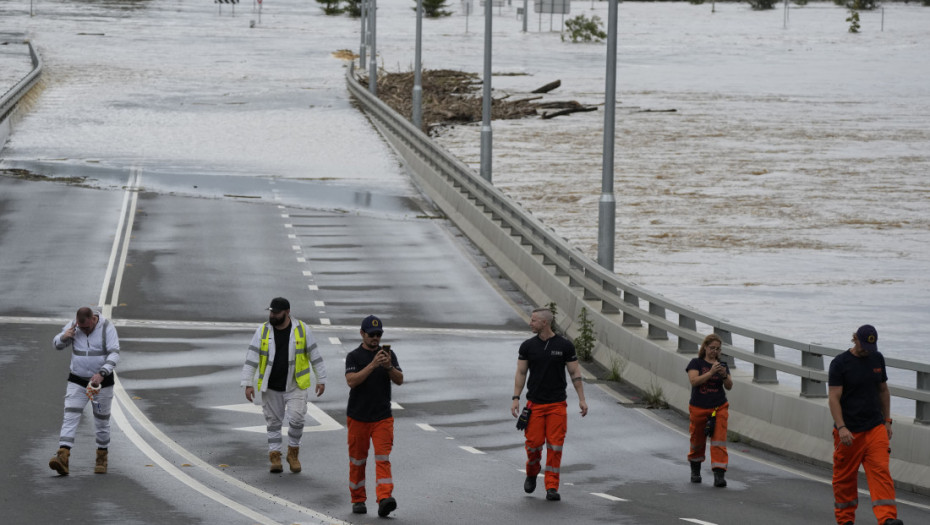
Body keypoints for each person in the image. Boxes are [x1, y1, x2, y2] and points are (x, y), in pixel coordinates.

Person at [240, 297, 327, 474]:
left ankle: (293, 453)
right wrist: (247, 384)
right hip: (271, 385)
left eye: (276, 312)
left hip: (296, 385)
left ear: (287, 313)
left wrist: (321, 379)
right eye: (271, 311)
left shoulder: (302, 330)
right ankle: (275, 456)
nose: (272, 315)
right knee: (273, 422)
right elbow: (252, 358)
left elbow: (315, 355)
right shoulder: (263, 331)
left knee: (297, 419)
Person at [828, 325, 903, 525]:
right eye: (864, 345)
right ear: (855, 339)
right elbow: (834, 398)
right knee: (845, 479)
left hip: (875, 427)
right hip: (849, 432)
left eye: (871, 346)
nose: (867, 350)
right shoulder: (840, 363)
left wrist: (887, 420)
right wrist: (841, 427)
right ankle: (845, 520)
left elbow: (883, 391)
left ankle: (887, 518)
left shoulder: (877, 359)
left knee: (881, 471)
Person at [511, 307, 588, 502]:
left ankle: (552, 487)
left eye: (534, 320)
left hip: (557, 406)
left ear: (545, 323)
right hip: (534, 405)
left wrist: (581, 399)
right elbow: (521, 373)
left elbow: (575, 373)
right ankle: (532, 471)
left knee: (555, 446)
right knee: (534, 445)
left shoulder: (564, 346)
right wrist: (516, 398)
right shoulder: (527, 346)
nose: (530, 323)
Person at [49, 306, 121, 475]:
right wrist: (64, 336)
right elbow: (56, 345)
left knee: (101, 421)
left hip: (101, 383)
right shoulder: (75, 326)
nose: (84, 330)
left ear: (93, 319)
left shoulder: (107, 328)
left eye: (87, 327)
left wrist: (102, 373)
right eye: (81, 328)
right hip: (77, 381)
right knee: (70, 415)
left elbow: (114, 353)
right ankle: (62, 456)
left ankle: (101, 456)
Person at [345, 315, 403, 517]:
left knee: (382, 458)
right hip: (358, 417)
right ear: (362, 334)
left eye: (379, 335)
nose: (375, 338)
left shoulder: (389, 355)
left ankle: (384, 499)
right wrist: (372, 365)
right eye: (372, 334)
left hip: (382, 418)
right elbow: (351, 381)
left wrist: (388, 366)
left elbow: (400, 379)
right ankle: (358, 499)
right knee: (358, 461)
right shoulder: (354, 356)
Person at [685, 333, 732, 487]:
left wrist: (724, 375)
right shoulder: (696, 363)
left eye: (718, 349)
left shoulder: (722, 365)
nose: (714, 351)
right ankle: (695, 470)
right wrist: (711, 373)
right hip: (699, 407)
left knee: (719, 440)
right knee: (697, 440)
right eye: (712, 348)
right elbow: (694, 381)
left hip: (718, 407)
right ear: (705, 347)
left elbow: (729, 386)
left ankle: (719, 474)